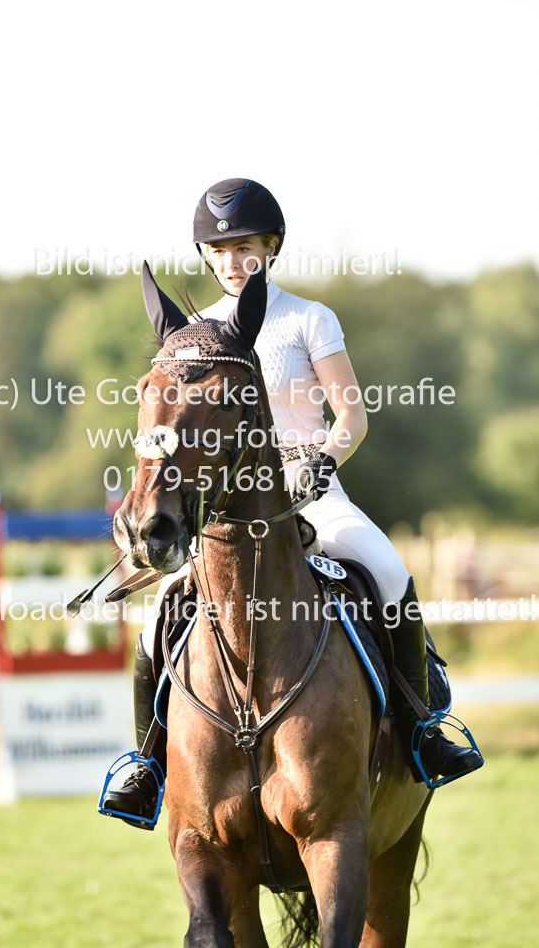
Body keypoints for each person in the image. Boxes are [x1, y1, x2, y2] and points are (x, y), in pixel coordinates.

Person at [104, 178, 481, 824]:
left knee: (389, 570)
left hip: (311, 492)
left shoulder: (309, 319)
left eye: (244, 247)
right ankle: (147, 763)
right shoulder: (192, 336)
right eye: (218, 250)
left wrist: (321, 461)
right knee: (159, 611)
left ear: (270, 247)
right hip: (225, 508)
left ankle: (422, 730)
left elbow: (351, 416)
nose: (231, 261)